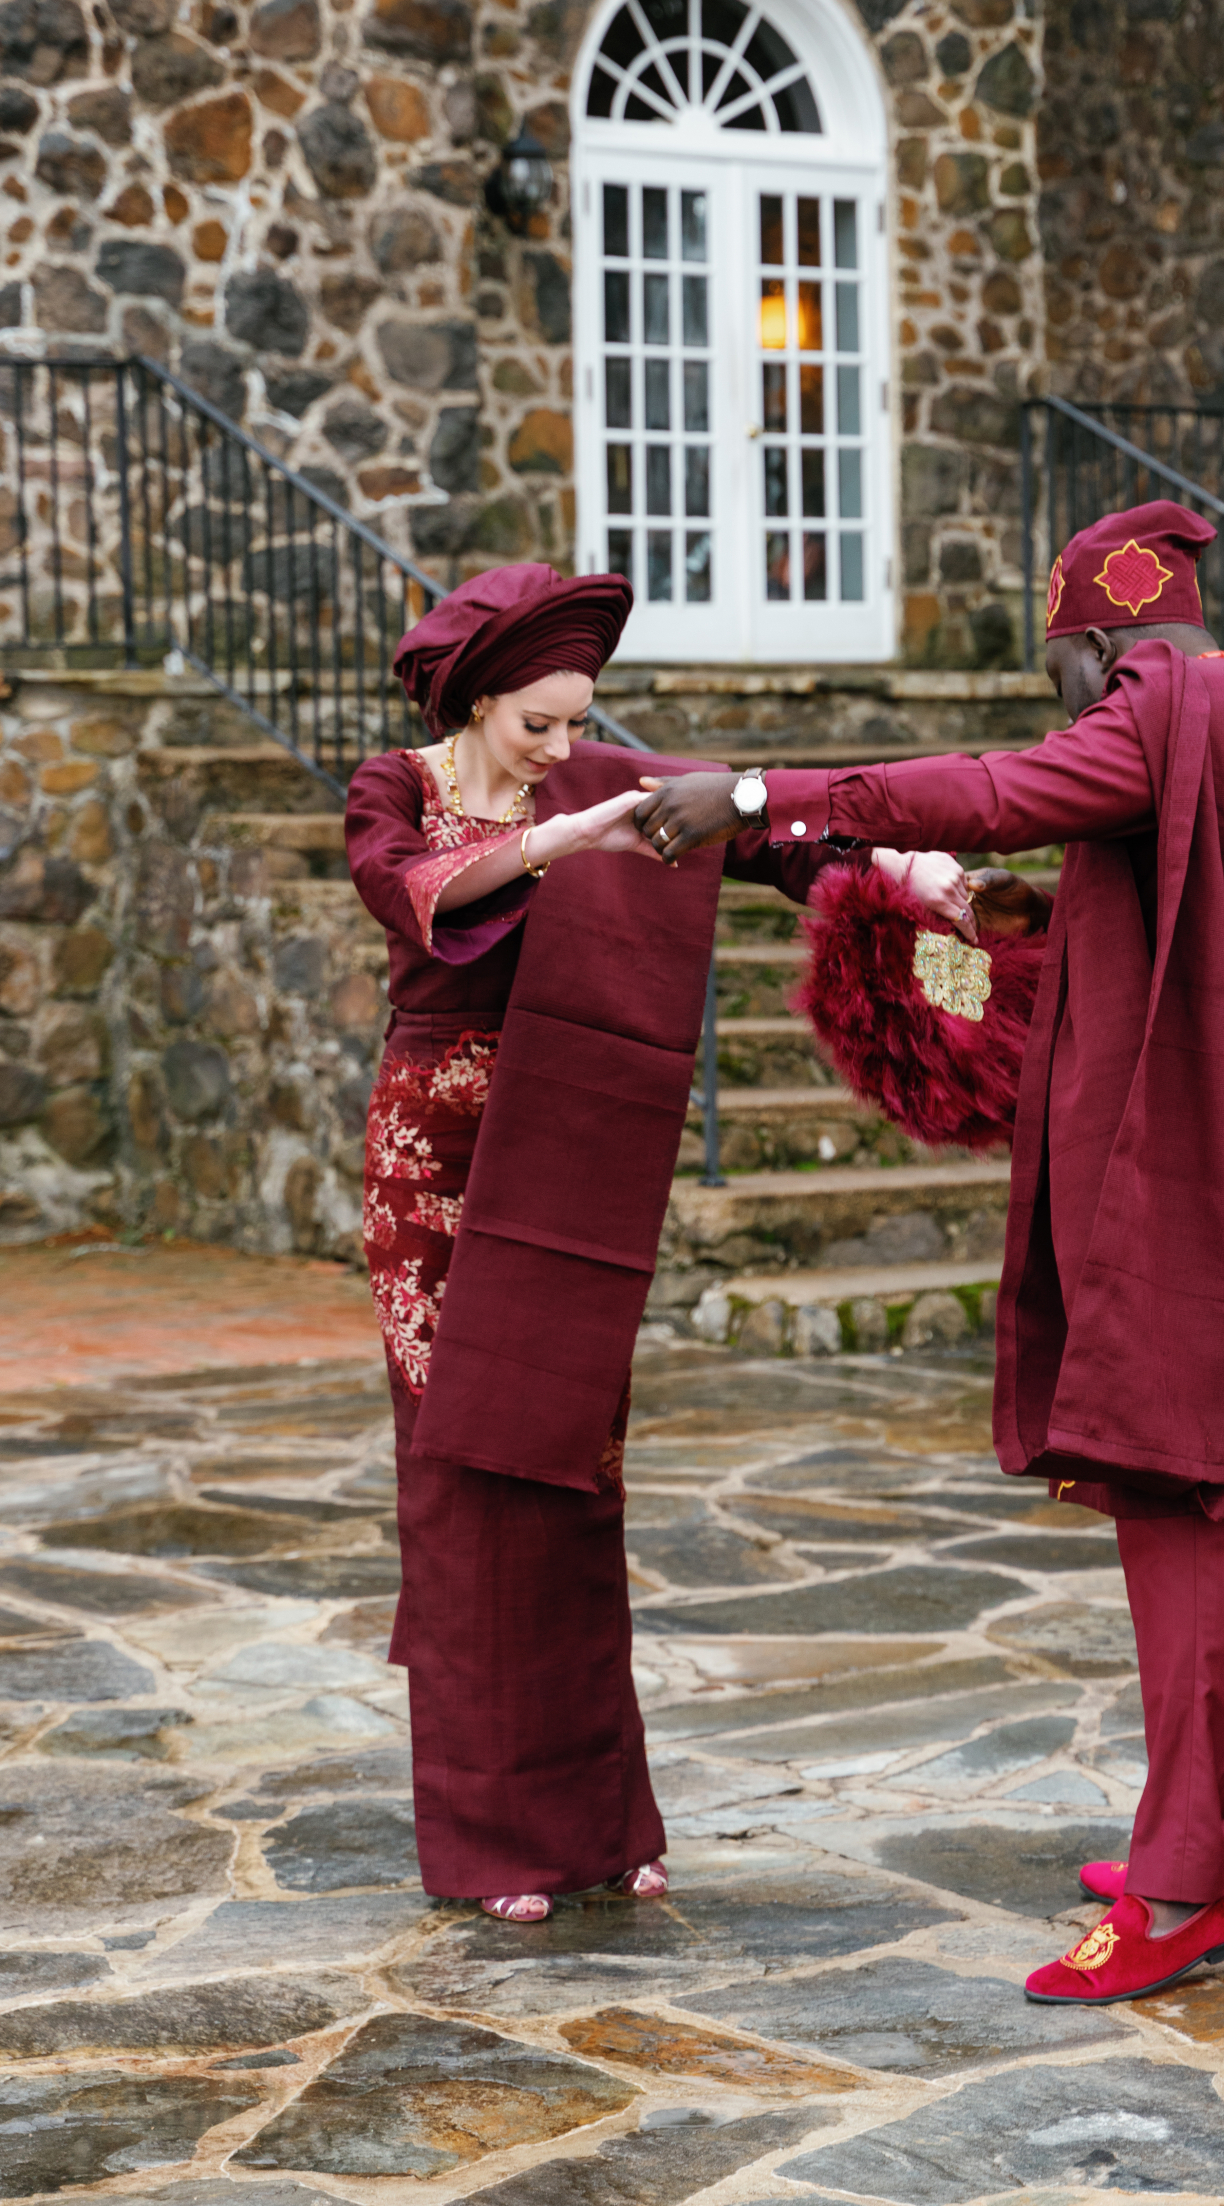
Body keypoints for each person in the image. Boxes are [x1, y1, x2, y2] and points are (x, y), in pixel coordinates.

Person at [630, 500, 1224, 2009]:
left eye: (1065, 676)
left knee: (1186, 1497)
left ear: (1102, 640)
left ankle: (1181, 1891)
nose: (1070, 707)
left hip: (1191, 1190)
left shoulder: (1169, 706)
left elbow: (994, 790)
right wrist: (1021, 906)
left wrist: (759, 789)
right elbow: (1169, 900)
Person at [345, 561, 955, 1926]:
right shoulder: (396, 788)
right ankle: (493, 1839)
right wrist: (568, 839)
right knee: (463, 1479)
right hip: (431, 1170)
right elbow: (411, 889)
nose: (565, 747)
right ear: (477, 701)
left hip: (566, 1152)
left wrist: (911, 872)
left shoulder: (599, 780)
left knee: (575, 1470)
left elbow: (771, 832)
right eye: (539, 725)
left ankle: (604, 1823)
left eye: (580, 720)